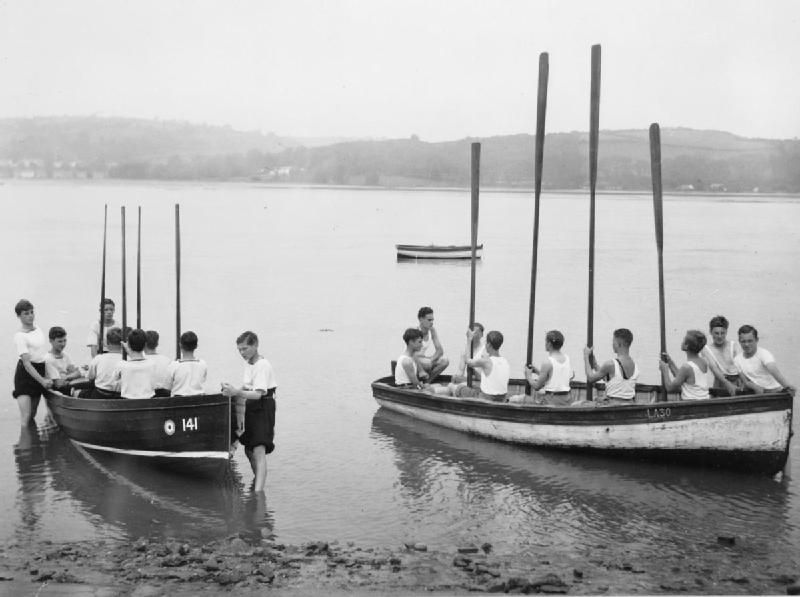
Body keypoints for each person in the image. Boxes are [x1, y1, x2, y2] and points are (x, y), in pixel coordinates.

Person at [221, 331, 277, 493]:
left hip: (263, 406)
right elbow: (247, 388)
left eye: (245, 349)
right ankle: (258, 482)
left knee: (259, 449)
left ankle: (258, 493)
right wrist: (231, 390)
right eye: (239, 350)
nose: (242, 353)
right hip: (250, 406)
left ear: (255, 345)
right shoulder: (249, 363)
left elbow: (259, 394)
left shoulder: (262, 365)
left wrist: (236, 392)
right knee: (248, 449)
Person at [12, 299, 53, 425]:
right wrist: (42, 381)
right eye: (26, 313)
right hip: (25, 374)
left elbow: (42, 354)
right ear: (19, 316)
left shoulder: (38, 329)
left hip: (40, 370)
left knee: (33, 413)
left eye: (31, 312)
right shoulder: (20, 336)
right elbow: (26, 363)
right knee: (26, 415)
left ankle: (32, 443)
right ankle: (25, 442)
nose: (30, 316)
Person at [449, 329, 510, 402]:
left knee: (451, 386)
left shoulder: (486, 361)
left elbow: (468, 361)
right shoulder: (505, 361)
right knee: (474, 386)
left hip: (486, 398)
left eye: (486, 343)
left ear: (489, 344)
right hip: (502, 398)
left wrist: (469, 340)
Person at [583, 328, 641, 405]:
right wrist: (595, 365)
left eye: (613, 341)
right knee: (597, 399)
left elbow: (590, 378)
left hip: (613, 406)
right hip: (629, 403)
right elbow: (613, 378)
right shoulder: (635, 366)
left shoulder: (610, 364)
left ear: (619, 344)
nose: (612, 344)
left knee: (577, 404)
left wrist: (586, 356)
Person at [734, 324, 795, 396]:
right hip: (756, 393)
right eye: (743, 341)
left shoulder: (764, 354)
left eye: (750, 341)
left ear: (757, 340)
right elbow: (745, 381)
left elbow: (773, 370)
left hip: (775, 392)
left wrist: (787, 387)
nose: (746, 344)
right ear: (739, 341)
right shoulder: (737, 359)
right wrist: (755, 387)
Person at [524, 330, 575, 406]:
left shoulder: (547, 362)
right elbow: (554, 377)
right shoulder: (567, 358)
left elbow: (537, 386)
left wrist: (528, 376)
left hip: (552, 400)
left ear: (549, 344)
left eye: (546, 341)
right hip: (567, 399)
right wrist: (538, 371)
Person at [659, 330, 710, 400]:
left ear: (686, 346)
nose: (682, 342)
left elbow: (669, 388)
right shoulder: (703, 362)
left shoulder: (686, 367)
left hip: (691, 405)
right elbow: (682, 377)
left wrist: (665, 371)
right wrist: (670, 362)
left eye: (683, 340)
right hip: (704, 402)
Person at [701, 315, 740, 395]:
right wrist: (727, 384)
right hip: (720, 386)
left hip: (738, 384)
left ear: (726, 332)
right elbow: (714, 368)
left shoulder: (734, 345)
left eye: (722, 333)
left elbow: (741, 366)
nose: (719, 336)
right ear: (710, 332)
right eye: (716, 333)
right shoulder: (706, 349)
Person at [86, 327, 123, 398]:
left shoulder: (98, 358)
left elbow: (90, 377)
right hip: (120, 396)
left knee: (80, 392)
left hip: (100, 395)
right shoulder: (127, 360)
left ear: (105, 343)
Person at [168, 331, 208, 397]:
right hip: (199, 402)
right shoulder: (203, 364)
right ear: (196, 346)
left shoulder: (173, 365)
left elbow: (168, 386)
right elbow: (203, 379)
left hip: (178, 403)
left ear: (180, 345)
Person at [45, 326, 83, 394]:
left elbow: (78, 373)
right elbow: (58, 384)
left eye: (65, 340)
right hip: (59, 390)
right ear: (51, 341)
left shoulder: (66, 355)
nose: (63, 344)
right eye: (60, 341)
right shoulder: (48, 359)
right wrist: (72, 376)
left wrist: (66, 377)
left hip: (69, 385)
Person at [415, 306, 449, 382]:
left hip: (425, 360)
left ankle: (427, 381)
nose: (431, 322)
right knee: (427, 363)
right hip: (413, 362)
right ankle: (421, 378)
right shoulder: (415, 332)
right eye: (429, 320)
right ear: (421, 319)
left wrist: (431, 359)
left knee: (445, 361)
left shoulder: (432, 330)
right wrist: (423, 367)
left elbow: (440, 351)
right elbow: (412, 354)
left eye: (432, 320)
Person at [144, 330, 172, 397]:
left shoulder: (139, 361)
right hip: (164, 399)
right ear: (157, 344)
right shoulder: (167, 361)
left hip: (144, 397)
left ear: (144, 343)